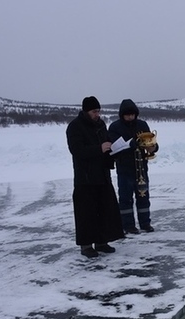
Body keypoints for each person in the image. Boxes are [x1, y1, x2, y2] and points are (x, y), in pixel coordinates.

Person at [66, 96, 124, 258]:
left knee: (103, 209)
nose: (97, 114)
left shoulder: (100, 125)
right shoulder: (75, 127)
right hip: (85, 178)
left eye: (98, 111)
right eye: (94, 111)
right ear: (86, 111)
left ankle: (101, 241)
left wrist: (113, 151)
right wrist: (99, 148)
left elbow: (106, 144)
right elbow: (77, 150)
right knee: (86, 212)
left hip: (102, 175)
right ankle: (86, 245)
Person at [108, 99, 158, 234]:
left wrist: (153, 147)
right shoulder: (115, 127)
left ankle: (145, 223)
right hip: (125, 168)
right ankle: (128, 225)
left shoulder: (142, 125)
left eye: (132, 114)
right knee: (125, 198)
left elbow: (150, 142)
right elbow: (113, 148)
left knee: (143, 196)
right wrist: (129, 145)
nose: (130, 117)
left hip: (141, 168)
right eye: (127, 115)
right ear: (122, 115)